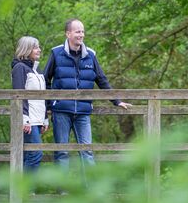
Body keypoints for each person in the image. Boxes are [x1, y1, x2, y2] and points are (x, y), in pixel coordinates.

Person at [44, 18, 132, 168]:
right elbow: (45, 79)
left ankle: (91, 189)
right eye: (78, 31)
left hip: (83, 111)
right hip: (61, 110)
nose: (81, 35)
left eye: (83, 31)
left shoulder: (90, 55)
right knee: (62, 152)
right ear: (68, 34)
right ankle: (62, 190)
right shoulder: (56, 53)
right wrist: (48, 106)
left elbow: (101, 80)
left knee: (87, 151)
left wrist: (117, 101)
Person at [11, 36, 49, 172]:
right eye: (35, 47)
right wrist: (24, 118)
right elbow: (19, 94)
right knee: (35, 153)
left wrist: (45, 118)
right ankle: (25, 190)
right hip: (28, 120)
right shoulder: (19, 68)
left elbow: (42, 96)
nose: (39, 50)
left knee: (28, 154)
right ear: (26, 49)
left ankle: (23, 191)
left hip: (37, 120)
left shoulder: (37, 70)